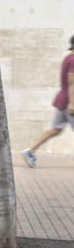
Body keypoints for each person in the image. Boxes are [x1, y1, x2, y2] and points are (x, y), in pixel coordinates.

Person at [22, 34, 74, 167]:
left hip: (63, 100)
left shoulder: (68, 58)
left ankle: (30, 151)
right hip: (69, 102)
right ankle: (30, 151)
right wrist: (72, 103)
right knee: (56, 129)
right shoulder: (73, 60)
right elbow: (71, 82)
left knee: (56, 129)